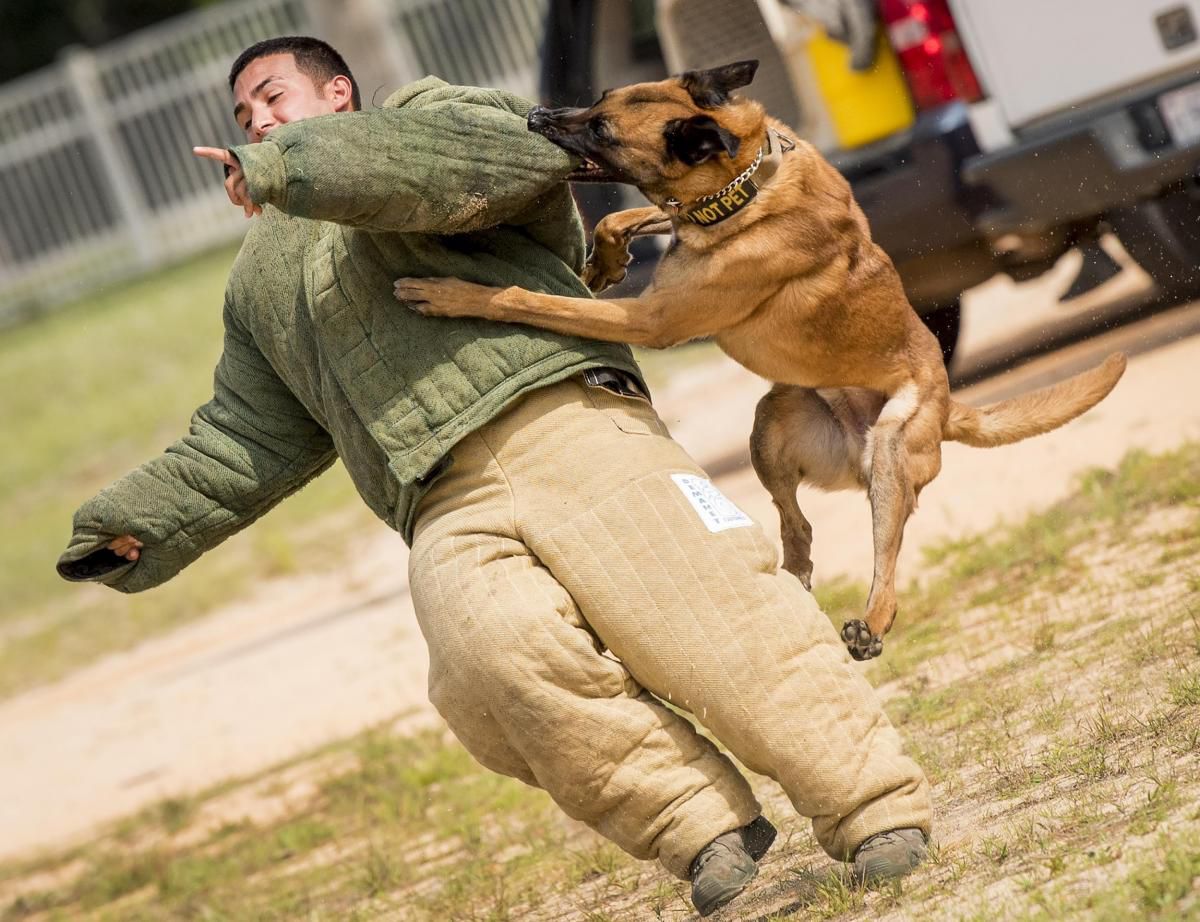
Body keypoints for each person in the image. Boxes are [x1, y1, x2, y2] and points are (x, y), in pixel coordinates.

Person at [56, 35, 932, 916]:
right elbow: (246, 431)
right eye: (244, 115)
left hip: (571, 420)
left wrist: (292, 166)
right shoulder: (257, 283)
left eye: (274, 98)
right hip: (440, 499)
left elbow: (468, 168)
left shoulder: (436, 116)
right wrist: (140, 524)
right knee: (485, 668)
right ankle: (693, 820)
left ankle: (873, 805)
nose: (258, 121)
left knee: (711, 610)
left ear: (338, 95)